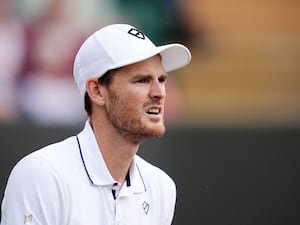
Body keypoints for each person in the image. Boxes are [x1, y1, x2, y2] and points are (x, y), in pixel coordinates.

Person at [0, 24, 191, 225]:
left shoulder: (161, 187)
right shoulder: (41, 175)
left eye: (161, 80)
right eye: (142, 80)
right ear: (97, 91)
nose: (159, 92)